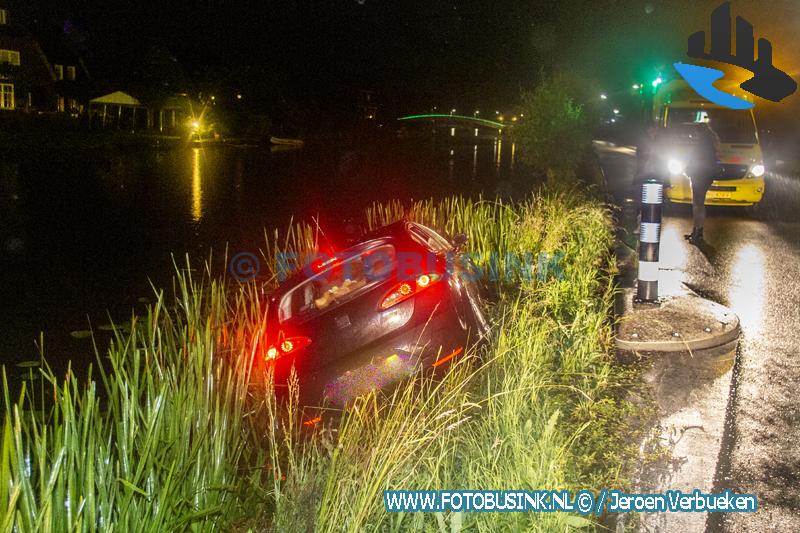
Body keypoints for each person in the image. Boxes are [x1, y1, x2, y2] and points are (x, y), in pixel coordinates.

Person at [684, 123, 720, 245]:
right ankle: (696, 231)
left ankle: (698, 232)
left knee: (698, 205)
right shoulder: (709, 143)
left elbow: (697, 161)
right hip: (704, 177)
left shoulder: (703, 144)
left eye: (695, 132)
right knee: (698, 204)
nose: (694, 135)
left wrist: (688, 170)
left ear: (699, 132)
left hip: (699, 176)